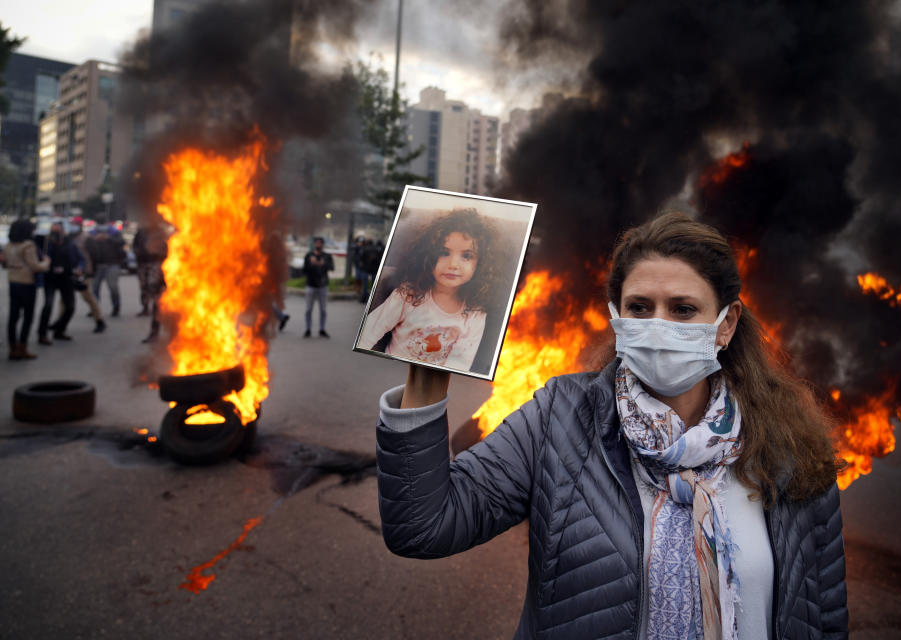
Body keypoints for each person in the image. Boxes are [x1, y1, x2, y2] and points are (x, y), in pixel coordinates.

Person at [375, 212, 847, 639]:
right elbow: (424, 526)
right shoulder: (558, 418)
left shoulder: (792, 451)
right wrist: (424, 370)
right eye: (640, 308)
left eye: (683, 309)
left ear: (726, 324)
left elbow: (824, 616)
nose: (659, 326)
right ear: (617, 317)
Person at [357, 209, 498, 372]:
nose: (453, 264)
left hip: (432, 382)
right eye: (444, 253)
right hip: (393, 371)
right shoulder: (407, 295)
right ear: (428, 256)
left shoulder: (475, 313)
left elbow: (461, 363)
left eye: (466, 256)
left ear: (480, 264)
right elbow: (368, 332)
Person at [3, 219, 50, 360]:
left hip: (13, 282)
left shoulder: (7, 246)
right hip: (27, 283)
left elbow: (5, 264)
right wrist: (46, 262)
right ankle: (22, 347)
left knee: (13, 317)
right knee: (27, 317)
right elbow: (35, 266)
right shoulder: (28, 245)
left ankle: (13, 348)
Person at [37, 221, 81, 343]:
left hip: (66, 277)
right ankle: (42, 334)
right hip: (50, 278)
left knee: (70, 307)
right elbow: (40, 256)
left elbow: (79, 258)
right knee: (48, 305)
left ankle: (59, 330)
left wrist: (79, 268)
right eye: (53, 231)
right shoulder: (46, 243)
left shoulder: (70, 243)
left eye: (58, 231)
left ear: (63, 231)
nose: (55, 233)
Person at [69, 217, 106, 333]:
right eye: (71, 224)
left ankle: (99, 320)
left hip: (85, 272)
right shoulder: (69, 238)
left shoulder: (87, 238)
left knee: (88, 296)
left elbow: (95, 255)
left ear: (79, 225)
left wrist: (92, 271)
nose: (72, 226)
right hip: (71, 272)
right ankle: (60, 323)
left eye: (74, 224)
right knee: (65, 299)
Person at [86, 213, 125, 317]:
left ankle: (116, 307)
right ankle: (95, 309)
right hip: (97, 265)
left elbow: (121, 242)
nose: (101, 225)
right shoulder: (92, 233)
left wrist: (108, 238)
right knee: (94, 288)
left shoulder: (114, 232)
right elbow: (87, 247)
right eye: (100, 223)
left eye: (102, 222)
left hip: (112, 264)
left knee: (113, 287)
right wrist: (95, 239)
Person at [303, 236, 334, 338]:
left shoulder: (326, 256)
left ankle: (322, 329)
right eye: (316, 243)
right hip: (311, 285)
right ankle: (308, 329)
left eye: (320, 243)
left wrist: (322, 264)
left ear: (322, 244)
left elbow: (331, 267)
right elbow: (304, 270)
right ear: (314, 244)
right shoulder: (309, 255)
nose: (318, 245)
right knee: (308, 309)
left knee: (323, 310)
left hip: (323, 286)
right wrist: (311, 264)